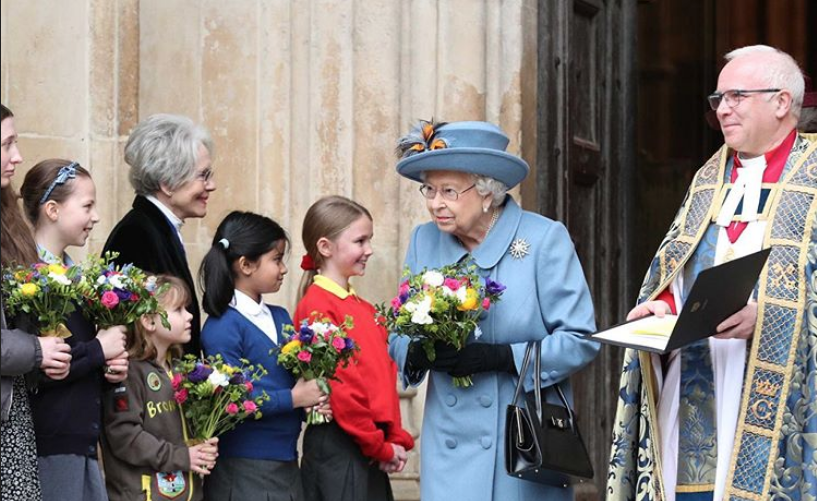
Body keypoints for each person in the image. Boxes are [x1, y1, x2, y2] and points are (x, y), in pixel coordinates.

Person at [607, 45, 816, 501]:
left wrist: (770, 316)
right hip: (697, 377)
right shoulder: (708, 178)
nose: (722, 109)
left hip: (782, 389)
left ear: (782, 102)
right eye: (718, 99)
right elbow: (679, 268)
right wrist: (659, 307)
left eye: (737, 96)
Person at [388, 120, 600, 501]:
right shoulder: (425, 240)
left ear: (487, 192)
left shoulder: (543, 239)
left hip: (519, 442)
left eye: (449, 191)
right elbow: (400, 328)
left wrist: (503, 358)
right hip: (449, 440)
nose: (436, 203)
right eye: (430, 189)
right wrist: (416, 352)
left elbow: (580, 339)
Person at [20, 159, 130, 501]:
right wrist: (99, 349)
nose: (95, 216)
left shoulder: (76, 276)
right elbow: (41, 366)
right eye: (87, 206)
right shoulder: (27, 279)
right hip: (50, 438)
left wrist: (107, 366)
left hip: (79, 437)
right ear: (52, 210)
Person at [199, 211, 327, 501]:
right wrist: (294, 399)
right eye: (276, 259)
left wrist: (313, 399)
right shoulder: (223, 326)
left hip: (286, 460)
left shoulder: (280, 317)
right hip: (244, 465)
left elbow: (291, 377)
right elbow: (232, 400)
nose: (283, 269)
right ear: (245, 264)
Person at [293, 195, 415, 501]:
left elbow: (384, 380)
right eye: (360, 241)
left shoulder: (364, 308)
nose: (369, 250)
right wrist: (381, 445)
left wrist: (394, 437)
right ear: (325, 247)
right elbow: (344, 390)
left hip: (365, 446)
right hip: (341, 448)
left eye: (369, 240)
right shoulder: (317, 306)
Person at [1, 103, 72, 501]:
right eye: (7, 143)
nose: (18, 156)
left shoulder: (9, 222)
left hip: (14, 418)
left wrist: (51, 348)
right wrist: (36, 350)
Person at [103, 114, 216, 356]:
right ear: (167, 183)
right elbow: (133, 334)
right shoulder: (136, 235)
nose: (211, 185)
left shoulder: (155, 227)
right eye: (203, 175)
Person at [100, 275, 218, 501]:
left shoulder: (183, 371)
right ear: (149, 321)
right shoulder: (128, 372)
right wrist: (182, 457)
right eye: (179, 309)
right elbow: (125, 437)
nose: (189, 316)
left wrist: (202, 445)